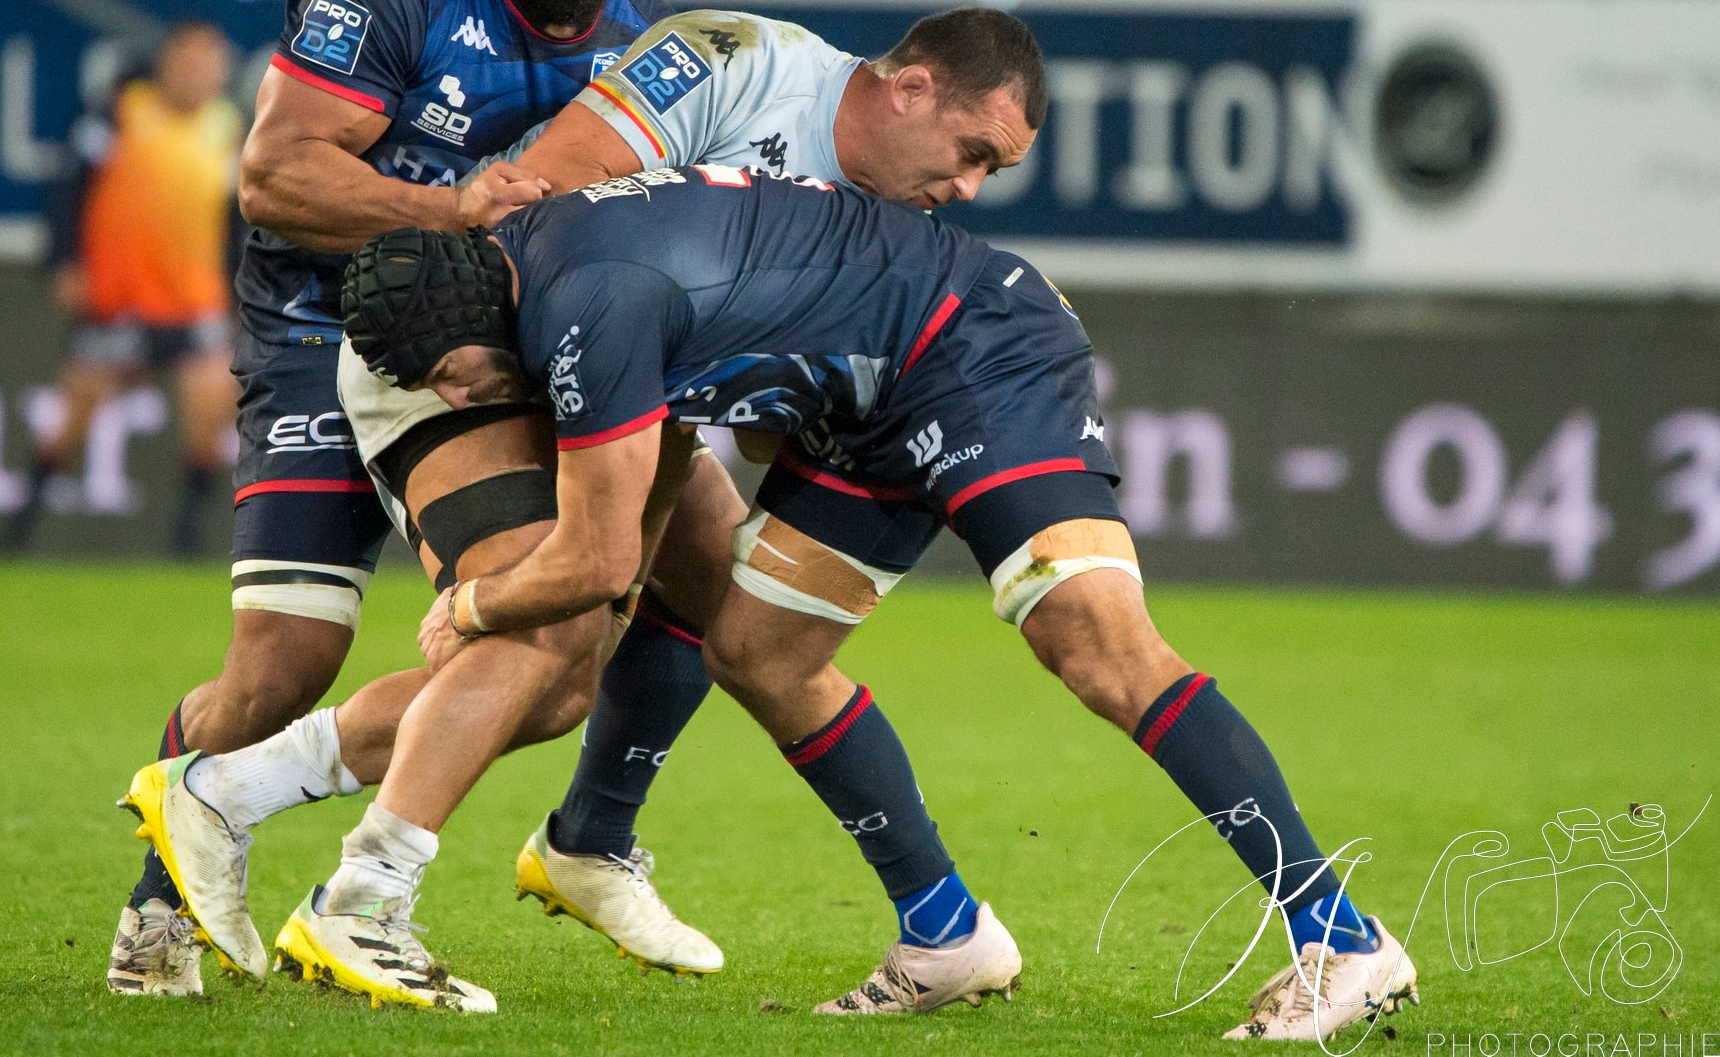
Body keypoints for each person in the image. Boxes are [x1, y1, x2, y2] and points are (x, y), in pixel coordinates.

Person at [150, 165, 1421, 1039]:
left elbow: (594, 562)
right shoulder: (546, 262)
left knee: (1098, 648)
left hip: (977, 347)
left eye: (458, 378)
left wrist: (470, 613)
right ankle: (945, 937)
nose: (465, 395)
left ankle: (1341, 937)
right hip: (865, 396)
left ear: (482, 329)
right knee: (758, 647)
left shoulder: (586, 312)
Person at [120, 6, 1050, 1000]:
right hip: (482, 341)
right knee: (547, 621)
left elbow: (750, 398)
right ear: (910, 90)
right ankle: (349, 894)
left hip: (612, 363)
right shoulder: (736, 61)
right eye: (971, 154)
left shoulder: (883, 208)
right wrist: (481, 598)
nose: (966, 189)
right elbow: (547, 199)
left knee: (691, 615)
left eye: (987, 174)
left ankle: (590, 840)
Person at [104, 0, 697, 997]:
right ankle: (163, 904)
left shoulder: (634, 36)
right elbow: (274, 178)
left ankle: (511, 854)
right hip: (318, 326)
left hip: (482, 363)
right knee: (283, 665)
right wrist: (452, 209)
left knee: (552, 657)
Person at [1, 21, 241, 559]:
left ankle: (186, 541)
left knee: (210, 409)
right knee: (73, 418)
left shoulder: (227, 126)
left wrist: (237, 288)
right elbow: (67, 184)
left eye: (210, 65)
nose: (199, 75)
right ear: (167, 62)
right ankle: (17, 531)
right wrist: (64, 260)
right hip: (120, 298)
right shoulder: (120, 109)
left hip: (194, 300)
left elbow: (235, 220)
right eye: (190, 62)